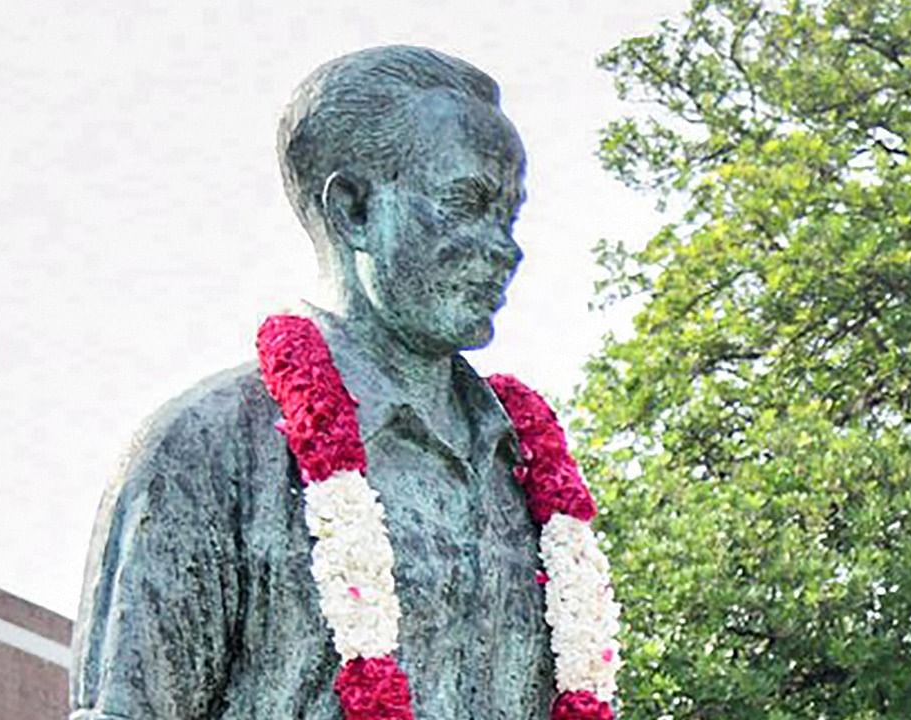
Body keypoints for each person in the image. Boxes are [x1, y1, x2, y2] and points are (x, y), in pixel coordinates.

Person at [70, 46, 556, 719]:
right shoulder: (208, 450)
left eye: (508, 214)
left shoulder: (525, 473)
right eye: (465, 204)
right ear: (353, 209)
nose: (504, 248)